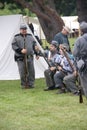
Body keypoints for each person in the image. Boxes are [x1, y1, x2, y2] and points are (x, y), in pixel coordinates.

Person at [12, 23, 39, 89]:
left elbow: (34, 45)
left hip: (30, 57)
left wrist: (36, 52)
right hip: (20, 58)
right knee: (22, 72)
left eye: (25, 29)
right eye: (22, 29)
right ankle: (24, 84)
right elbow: (14, 46)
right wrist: (20, 50)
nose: (24, 30)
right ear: (20, 30)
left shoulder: (30, 36)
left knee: (31, 71)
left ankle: (31, 84)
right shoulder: (16, 37)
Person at [73, 21, 87, 98]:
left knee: (85, 82)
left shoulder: (79, 40)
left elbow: (75, 53)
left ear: (81, 30)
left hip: (84, 64)